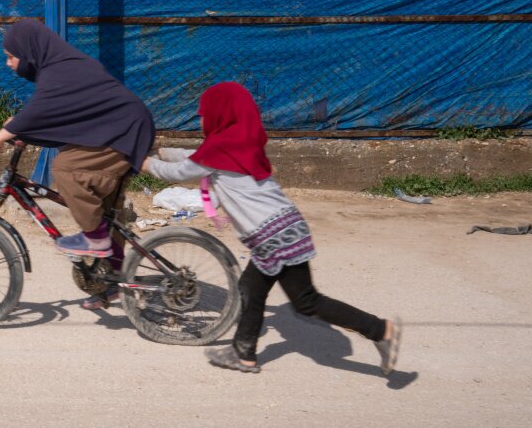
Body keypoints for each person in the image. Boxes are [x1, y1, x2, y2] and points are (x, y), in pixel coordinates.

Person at [140, 81, 401, 375]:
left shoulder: (219, 147)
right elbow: (196, 157)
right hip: (283, 227)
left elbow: (181, 171)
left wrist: (145, 163)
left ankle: (380, 330)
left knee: (305, 302)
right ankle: (244, 354)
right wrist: (163, 151)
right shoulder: (238, 140)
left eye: (204, 114)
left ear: (220, 113)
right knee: (250, 290)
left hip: (272, 235)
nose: (201, 120)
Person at [0, 19, 156, 307]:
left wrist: (1, 135)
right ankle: (115, 285)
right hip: (122, 130)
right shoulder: (60, 67)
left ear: (27, 51)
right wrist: (20, 127)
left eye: (11, 56)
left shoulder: (59, 70)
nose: (8, 63)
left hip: (123, 133)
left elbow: (41, 109)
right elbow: (56, 113)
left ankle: (94, 239)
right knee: (107, 216)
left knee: (65, 168)